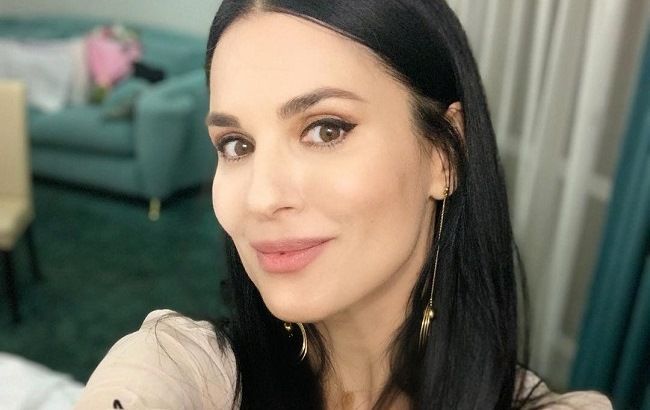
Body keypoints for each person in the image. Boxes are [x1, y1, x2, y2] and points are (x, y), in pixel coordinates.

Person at [74, 1, 613, 409]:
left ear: (445, 154)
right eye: (236, 145)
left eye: (325, 129)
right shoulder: (185, 370)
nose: (261, 198)